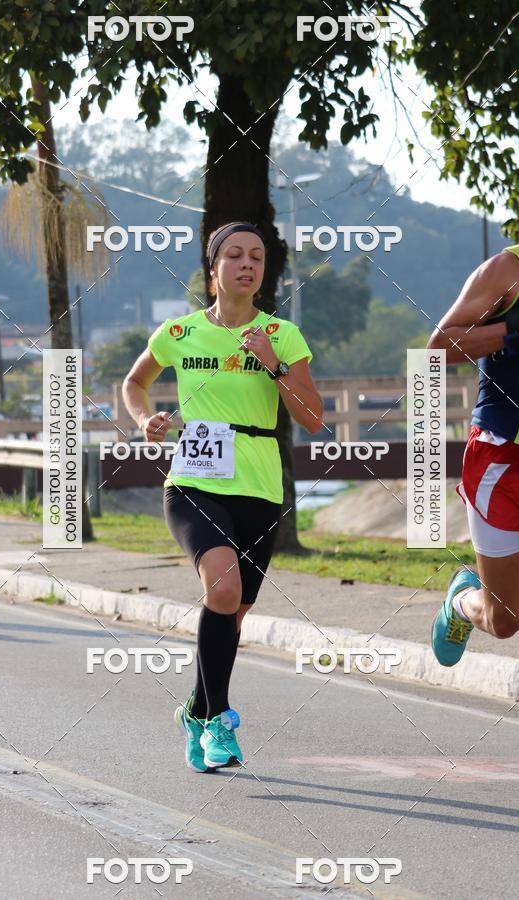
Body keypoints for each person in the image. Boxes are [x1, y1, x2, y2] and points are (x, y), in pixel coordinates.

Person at [122, 222, 323, 770]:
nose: (246, 264)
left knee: (233, 612)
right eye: (234, 255)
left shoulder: (282, 335)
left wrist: (273, 365)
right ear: (214, 271)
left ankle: (194, 707)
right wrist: (146, 420)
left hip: (258, 487)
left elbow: (312, 417)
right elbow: (134, 382)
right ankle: (219, 722)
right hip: (193, 480)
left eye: (256, 257)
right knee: (223, 586)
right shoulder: (180, 333)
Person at [427, 166, 519, 667]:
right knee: (505, 621)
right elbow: (441, 346)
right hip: (504, 455)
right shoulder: (509, 270)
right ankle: (460, 601)